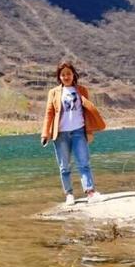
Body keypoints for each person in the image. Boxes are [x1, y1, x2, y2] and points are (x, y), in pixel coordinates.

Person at [41, 61, 106, 205]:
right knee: (64, 166)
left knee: (84, 163)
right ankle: (69, 195)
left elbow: (87, 113)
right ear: (59, 77)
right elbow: (49, 114)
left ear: (73, 75)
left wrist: (89, 131)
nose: (66, 76)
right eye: (63, 74)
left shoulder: (81, 90)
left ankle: (90, 192)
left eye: (68, 73)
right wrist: (45, 134)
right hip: (61, 134)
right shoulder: (53, 93)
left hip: (78, 132)